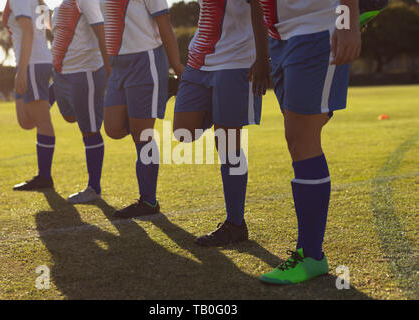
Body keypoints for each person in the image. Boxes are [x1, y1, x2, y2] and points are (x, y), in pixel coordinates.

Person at [258, 0, 361, 284]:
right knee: (298, 136)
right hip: (279, 35)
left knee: (301, 137)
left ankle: (312, 255)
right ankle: (311, 254)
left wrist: (348, 21)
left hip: (317, 25)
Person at [173, 0, 270, 246]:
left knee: (228, 145)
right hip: (199, 61)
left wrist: (262, 58)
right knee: (183, 131)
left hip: (236, 61)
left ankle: (235, 224)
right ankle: (219, 112)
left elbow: (260, 7)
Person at [102, 0, 184, 218]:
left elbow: (164, 24)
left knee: (142, 135)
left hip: (146, 59)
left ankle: (148, 200)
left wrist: (176, 65)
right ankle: (163, 92)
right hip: (118, 64)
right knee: (112, 128)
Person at [51, 0, 110, 203]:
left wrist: (110, 73)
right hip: (62, 75)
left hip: (86, 73)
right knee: (69, 117)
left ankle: (94, 188)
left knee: (90, 130)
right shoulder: (60, 6)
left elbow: (102, 33)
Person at [3, 0, 56, 191]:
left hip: (33, 64)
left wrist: (23, 70)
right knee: (25, 121)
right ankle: (56, 88)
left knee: (42, 121)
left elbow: (29, 31)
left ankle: (44, 177)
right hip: (32, 63)